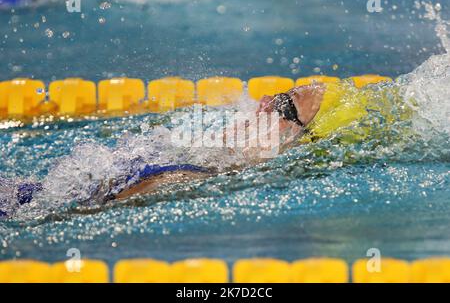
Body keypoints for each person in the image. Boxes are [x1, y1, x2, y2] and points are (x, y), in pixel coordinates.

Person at [0, 83, 326, 217]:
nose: (265, 101)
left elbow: (115, 197)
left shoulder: (208, 173)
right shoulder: (203, 153)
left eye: (282, 104)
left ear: (288, 135)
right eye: (278, 94)